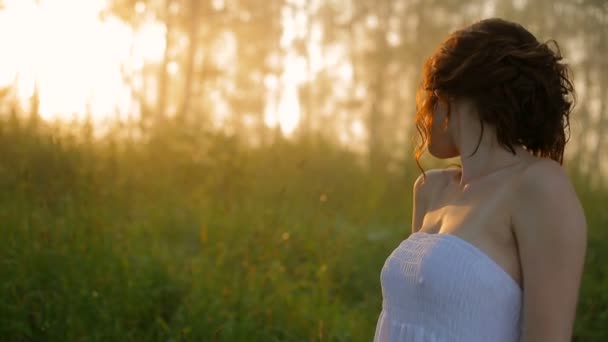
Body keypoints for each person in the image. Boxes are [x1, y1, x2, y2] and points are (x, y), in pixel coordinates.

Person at [374, 18, 587, 342]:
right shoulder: (430, 190)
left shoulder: (540, 185)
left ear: (450, 96)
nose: (423, 111)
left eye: (429, 93)